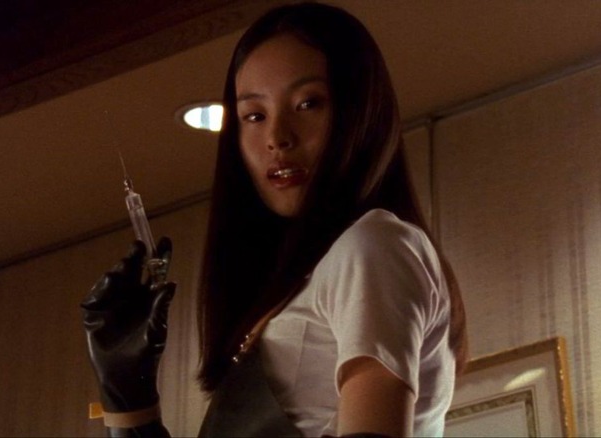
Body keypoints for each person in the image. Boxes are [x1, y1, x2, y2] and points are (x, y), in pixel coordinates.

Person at [81, 3, 467, 437]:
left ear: (362, 110)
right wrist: (128, 396)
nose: (278, 137)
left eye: (308, 103)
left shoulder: (373, 243)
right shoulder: (298, 287)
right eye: (254, 116)